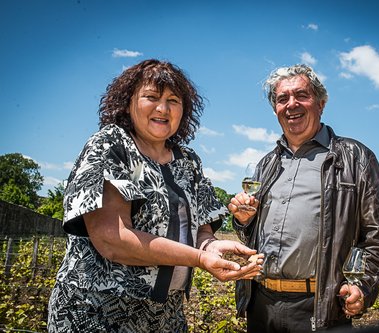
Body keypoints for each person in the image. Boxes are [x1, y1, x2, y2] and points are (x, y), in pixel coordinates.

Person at [47, 59, 262, 332]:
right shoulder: (112, 145)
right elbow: (112, 239)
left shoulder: (188, 161)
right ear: (128, 102)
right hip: (98, 311)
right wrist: (199, 259)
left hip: (167, 314)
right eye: (151, 97)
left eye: (173, 100)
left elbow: (201, 233)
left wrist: (211, 247)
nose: (163, 108)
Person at [228, 64, 379, 332]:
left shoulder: (356, 158)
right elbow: (251, 237)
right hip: (261, 304)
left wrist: (363, 286)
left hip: (319, 307)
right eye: (282, 99)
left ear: (321, 103)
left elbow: (376, 237)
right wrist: (244, 221)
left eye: (301, 95)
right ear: (276, 109)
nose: (291, 104)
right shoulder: (266, 165)